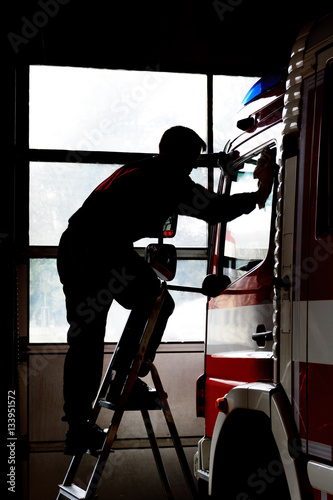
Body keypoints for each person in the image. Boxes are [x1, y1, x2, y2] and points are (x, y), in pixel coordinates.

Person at [57, 125, 273, 455]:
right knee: (157, 300)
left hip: (77, 247)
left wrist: (221, 164)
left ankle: (78, 426)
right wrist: (258, 197)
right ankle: (125, 381)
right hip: (100, 249)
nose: (192, 167)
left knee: (86, 337)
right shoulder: (169, 178)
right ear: (180, 155)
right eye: (192, 160)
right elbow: (213, 209)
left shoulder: (145, 169)